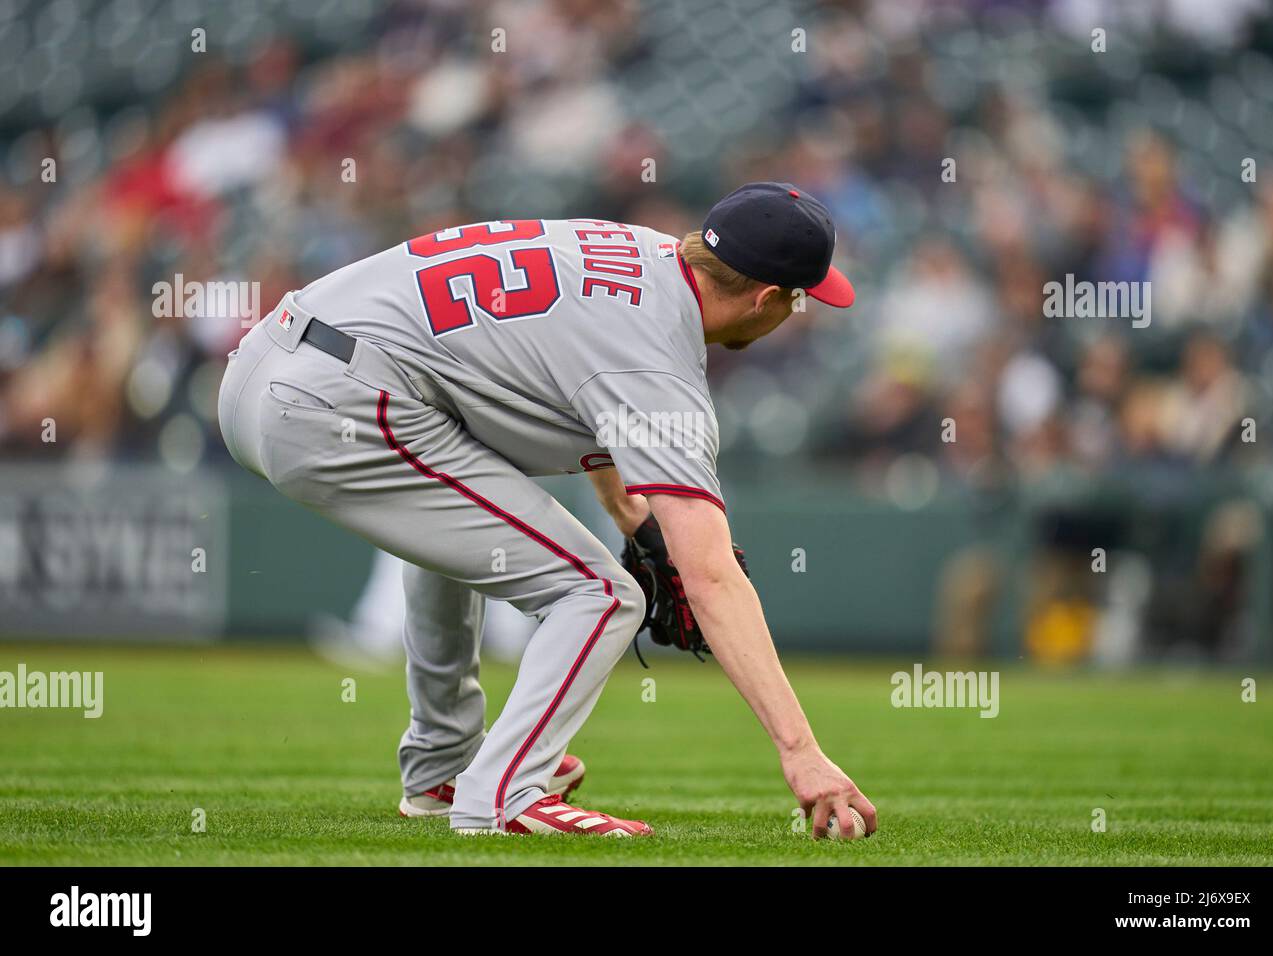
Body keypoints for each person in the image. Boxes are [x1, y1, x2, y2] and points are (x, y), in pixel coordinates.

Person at [217, 182, 877, 838]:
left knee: (461, 539)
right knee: (600, 593)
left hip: (275, 361)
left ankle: (443, 771)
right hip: (336, 399)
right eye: (798, 299)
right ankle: (503, 795)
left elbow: (587, 394)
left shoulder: (641, 254)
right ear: (765, 299)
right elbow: (709, 577)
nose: (797, 312)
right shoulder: (657, 365)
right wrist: (801, 751)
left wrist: (633, 520)